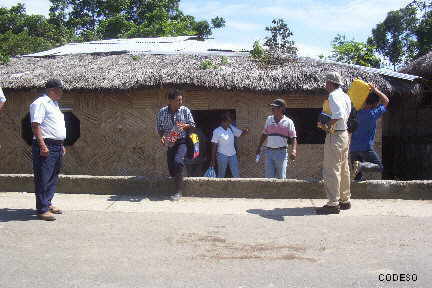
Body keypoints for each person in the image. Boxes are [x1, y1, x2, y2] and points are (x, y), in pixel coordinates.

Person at [30, 79, 66, 221]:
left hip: (56, 145)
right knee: (43, 177)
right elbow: (36, 125)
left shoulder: (54, 104)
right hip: (46, 144)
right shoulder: (40, 103)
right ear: (51, 90)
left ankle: (48, 203)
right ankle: (42, 209)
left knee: (52, 177)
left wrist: (61, 144)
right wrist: (42, 145)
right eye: (59, 89)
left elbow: (53, 126)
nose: (61, 92)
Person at [316, 72, 352, 214]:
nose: (325, 85)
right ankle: (345, 200)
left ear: (331, 83)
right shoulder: (345, 96)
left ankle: (333, 203)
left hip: (335, 135)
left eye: (326, 83)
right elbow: (344, 115)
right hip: (344, 134)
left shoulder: (333, 96)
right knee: (344, 168)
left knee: (331, 169)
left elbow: (338, 115)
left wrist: (327, 126)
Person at [156, 89, 195, 201]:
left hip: (182, 141)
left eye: (181, 100)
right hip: (170, 142)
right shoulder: (162, 112)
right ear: (170, 101)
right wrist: (162, 137)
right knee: (172, 168)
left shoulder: (185, 111)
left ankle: (178, 192)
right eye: (178, 100)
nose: (180, 102)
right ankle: (179, 176)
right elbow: (160, 129)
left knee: (178, 161)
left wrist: (185, 126)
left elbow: (193, 126)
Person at [350, 85, 389, 181]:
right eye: (377, 104)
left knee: (357, 178)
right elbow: (386, 101)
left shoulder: (356, 113)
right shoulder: (373, 114)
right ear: (374, 104)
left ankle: (359, 167)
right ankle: (361, 166)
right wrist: (376, 90)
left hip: (353, 149)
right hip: (366, 148)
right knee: (379, 167)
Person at [256, 99, 297, 179]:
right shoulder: (269, 119)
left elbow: (293, 137)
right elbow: (264, 134)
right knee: (269, 178)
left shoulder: (288, 122)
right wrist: (259, 147)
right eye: (272, 107)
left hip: (281, 153)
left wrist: (294, 150)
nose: (272, 109)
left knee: (281, 178)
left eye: (274, 107)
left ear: (282, 108)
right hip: (269, 152)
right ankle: (270, 192)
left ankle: (282, 192)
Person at [210, 113, 248, 178]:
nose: (229, 123)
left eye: (230, 121)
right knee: (221, 175)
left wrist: (246, 130)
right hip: (222, 155)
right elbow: (214, 146)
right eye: (228, 122)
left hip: (233, 155)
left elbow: (240, 133)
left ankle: (238, 187)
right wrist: (213, 160)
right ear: (223, 122)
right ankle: (220, 187)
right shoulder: (217, 131)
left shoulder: (230, 128)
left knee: (236, 174)